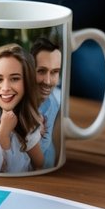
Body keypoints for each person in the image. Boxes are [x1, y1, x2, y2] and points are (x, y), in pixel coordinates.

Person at [0, 44, 44, 174]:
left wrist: (4, 135)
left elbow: (39, 164)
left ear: (27, 82)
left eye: (14, 79)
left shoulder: (28, 126)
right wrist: (2, 132)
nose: (5, 87)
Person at [30, 37, 62, 170]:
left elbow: (40, 161)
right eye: (41, 71)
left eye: (54, 72)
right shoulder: (11, 97)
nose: (48, 81)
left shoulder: (56, 102)